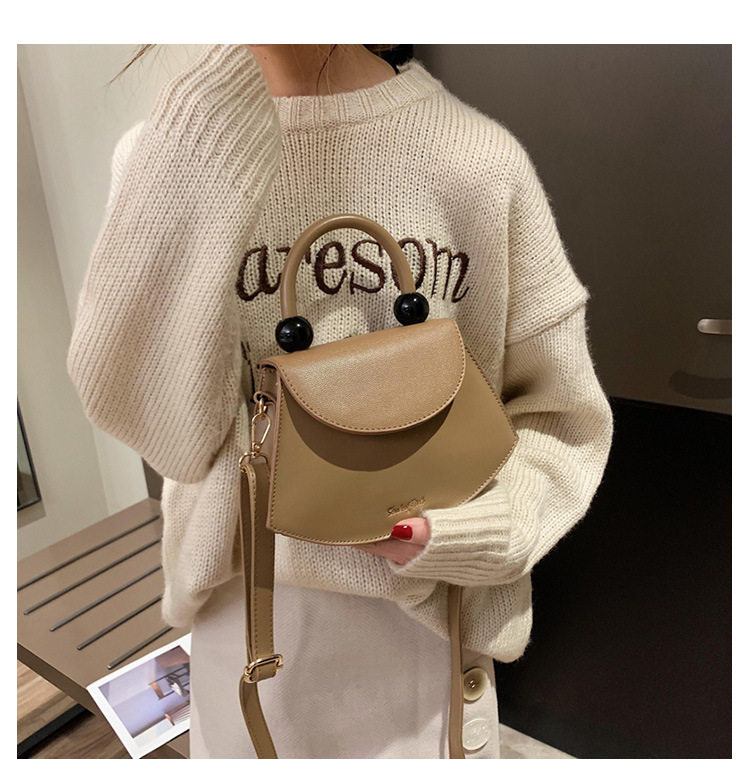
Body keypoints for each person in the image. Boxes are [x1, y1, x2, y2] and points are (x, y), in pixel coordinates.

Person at [67, 44, 614, 759]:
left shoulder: (477, 161)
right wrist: (197, 137)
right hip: (245, 626)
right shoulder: (169, 155)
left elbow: (560, 418)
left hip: (425, 635)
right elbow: (162, 431)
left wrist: (480, 530)